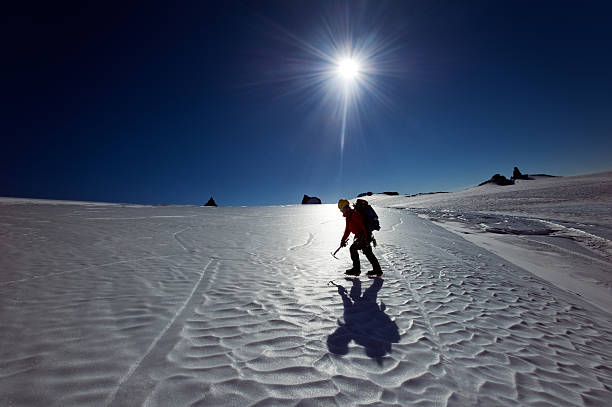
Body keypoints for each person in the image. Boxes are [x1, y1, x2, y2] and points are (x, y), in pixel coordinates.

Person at [338, 199, 382, 277]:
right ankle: (377, 270)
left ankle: (356, 270)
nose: (342, 211)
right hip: (363, 236)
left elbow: (362, 225)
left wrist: (365, 238)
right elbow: (347, 230)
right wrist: (343, 240)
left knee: (353, 249)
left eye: (342, 209)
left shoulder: (354, 214)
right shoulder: (349, 216)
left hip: (363, 236)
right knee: (368, 253)